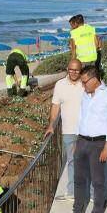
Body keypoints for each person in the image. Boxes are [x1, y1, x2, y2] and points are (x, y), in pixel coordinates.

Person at [59, 66, 107, 213]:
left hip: (98, 144)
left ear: (94, 80)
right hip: (82, 142)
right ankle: (77, 212)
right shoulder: (85, 95)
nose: (83, 85)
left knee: (98, 181)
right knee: (79, 179)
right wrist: (77, 142)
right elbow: (81, 118)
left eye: (84, 82)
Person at [44, 59, 89, 202]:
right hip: (68, 130)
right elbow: (55, 106)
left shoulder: (86, 83)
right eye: (71, 69)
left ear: (80, 70)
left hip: (85, 130)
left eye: (77, 70)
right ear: (67, 69)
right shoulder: (60, 85)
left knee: (85, 162)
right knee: (71, 161)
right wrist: (51, 124)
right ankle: (72, 192)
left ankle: (88, 192)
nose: (74, 72)